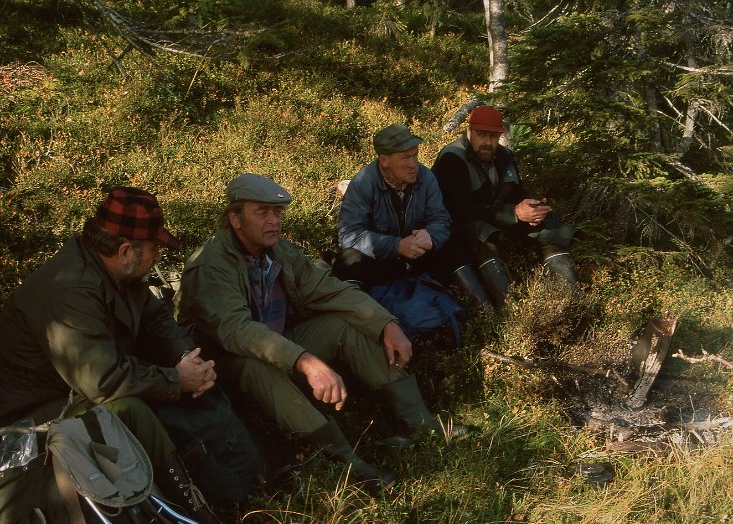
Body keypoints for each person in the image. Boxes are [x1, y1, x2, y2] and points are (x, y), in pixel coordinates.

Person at [0, 187, 264, 524]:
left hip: (83, 390)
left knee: (187, 391)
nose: (159, 256)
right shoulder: (70, 291)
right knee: (134, 412)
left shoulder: (117, 269)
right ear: (127, 250)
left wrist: (188, 358)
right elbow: (102, 381)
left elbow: (156, 319)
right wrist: (176, 379)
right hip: (39, 413)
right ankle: (195, 516)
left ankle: (236, 487)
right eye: (155, 248)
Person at [174, 173, 447, 488]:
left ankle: (422, 425)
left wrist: (386, 323)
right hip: (217, 367)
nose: (273, 220)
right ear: (235, 219)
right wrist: (306, 362)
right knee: (257, 366)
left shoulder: (278, 249)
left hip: (276, 345)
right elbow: (238, 333)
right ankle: (345, 461)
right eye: (261, 213)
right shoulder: (212, 264)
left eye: (276, 213)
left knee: (343, 324)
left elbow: (328, 289)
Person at [431, 105, 578, 308]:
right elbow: (460, 211)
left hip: (497, 218)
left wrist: (533, 207)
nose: (488, 143)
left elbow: (517, 193)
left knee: (551, 229)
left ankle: (569, 303)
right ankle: (511, 311)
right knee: (483, 236)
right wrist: (514, 213)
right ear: (469, 132)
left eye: (493, 136)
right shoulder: (452, 158)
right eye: (481, 135)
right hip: (459, 227)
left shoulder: (505, 156)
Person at [333, 124, 472, 292]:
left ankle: (484, 311)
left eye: (415, 155)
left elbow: (441, 218)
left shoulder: (426, 177)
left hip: (417, 254)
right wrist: (397, 246)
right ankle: (365, 314)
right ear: (384, 160)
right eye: (405, 157)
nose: (414, 164)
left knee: (453, 247)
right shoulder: (363, 184)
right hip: (379, 261)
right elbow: (348, 235)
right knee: (349, 259)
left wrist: (431, 236)